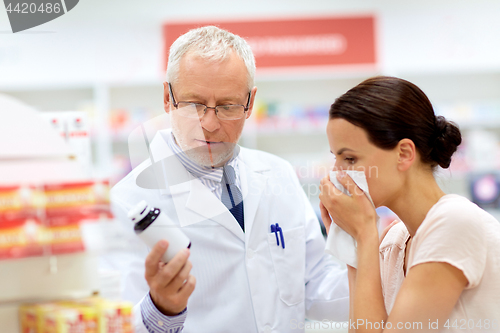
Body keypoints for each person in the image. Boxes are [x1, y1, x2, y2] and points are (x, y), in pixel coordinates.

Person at [106, 26, 349, 333]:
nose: (209, 124)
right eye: (194, 104)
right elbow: (114, 323)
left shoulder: (278, 175)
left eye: (228, 106)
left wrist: (376, 252)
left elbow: (316, 287)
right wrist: (161, 308)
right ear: (168, 98)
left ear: (250, 103)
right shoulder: (123, 204)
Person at [319, 76, 500, 333]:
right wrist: (352, 244)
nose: (338, 173)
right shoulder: (395, 240)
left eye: (350, 158)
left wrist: (365, 234)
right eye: (336, 158)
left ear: (404, 153)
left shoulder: (454, 222)